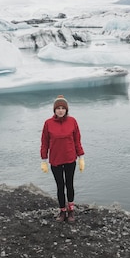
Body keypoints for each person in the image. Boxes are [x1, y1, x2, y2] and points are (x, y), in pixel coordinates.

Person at [40, 95, 85, 223]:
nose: (60, 110)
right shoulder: (48, 123)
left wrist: (81, 157)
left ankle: (71, 211)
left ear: (66, 110)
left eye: (63, 108)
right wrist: (43, 159)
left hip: (70, 159)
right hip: (55, 160)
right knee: (60, 186)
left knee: (69, 185)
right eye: (58, 108)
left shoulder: (72, 121)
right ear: (54, 110)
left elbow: (77, 140)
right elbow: (44, 142)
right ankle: (62, 211)